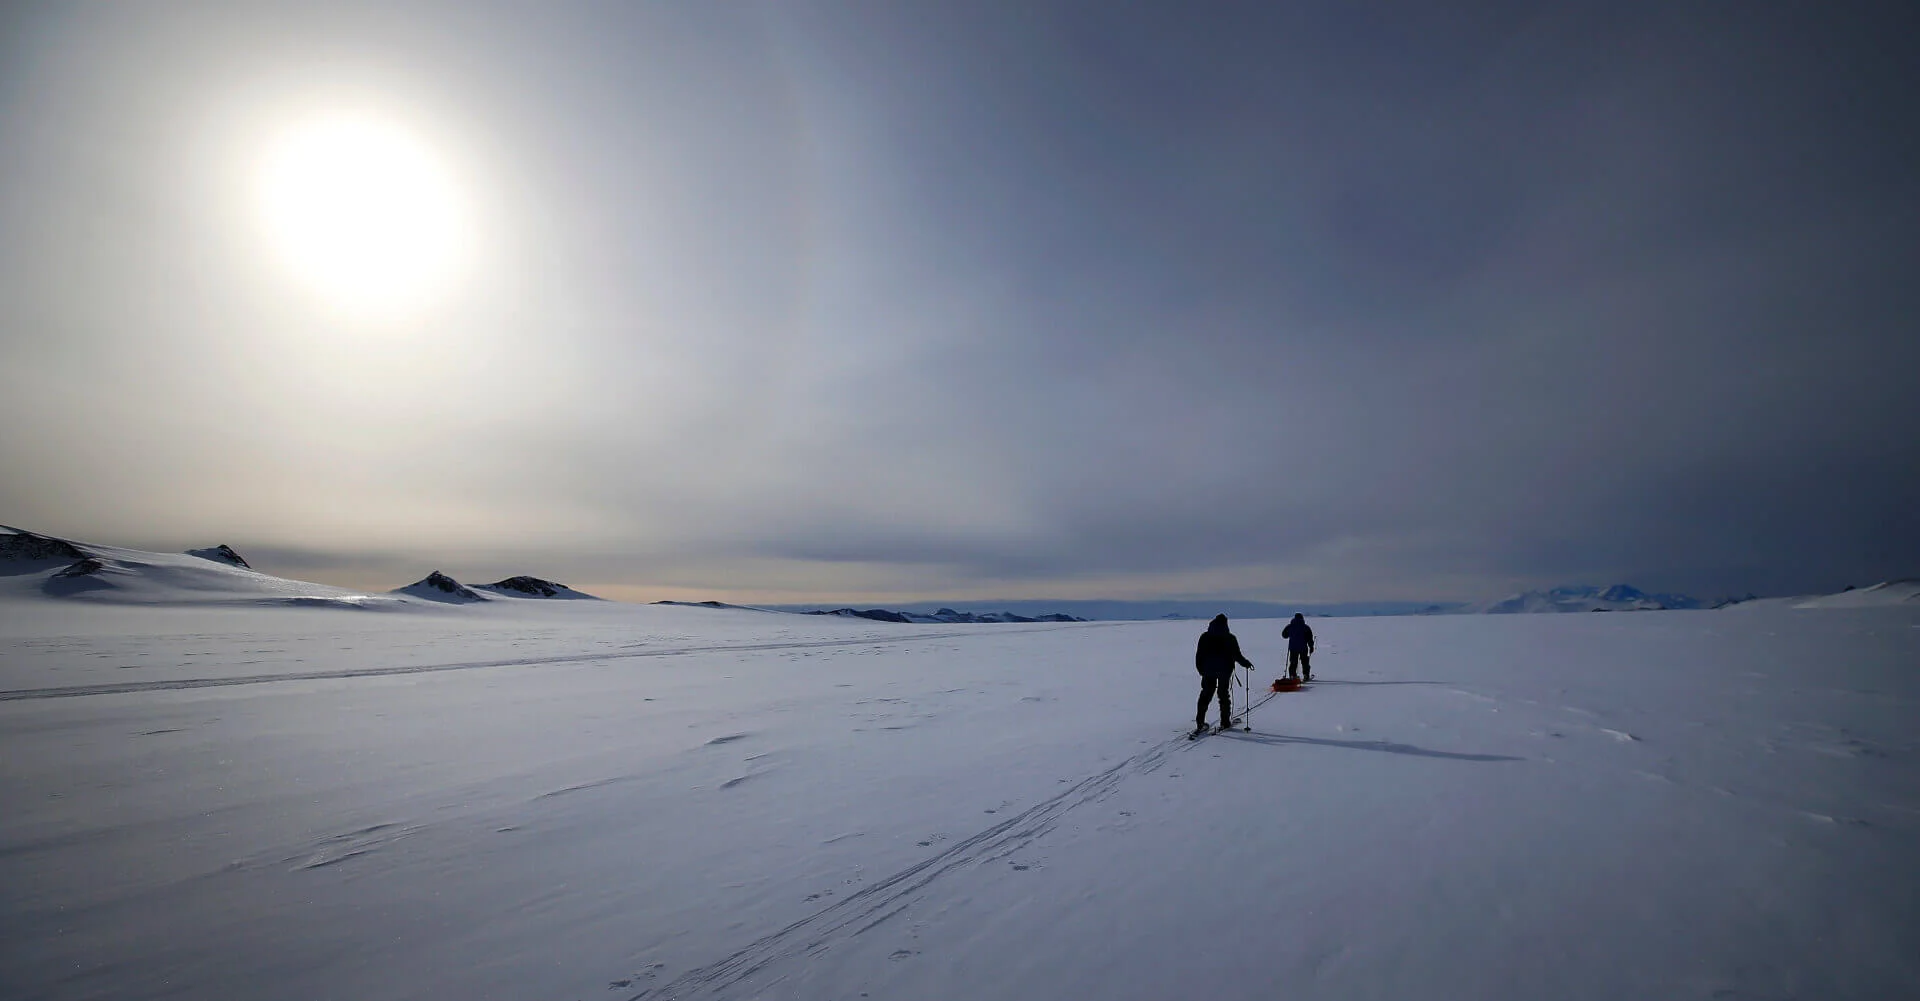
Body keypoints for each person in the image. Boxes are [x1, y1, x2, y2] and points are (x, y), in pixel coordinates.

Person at [1194, 614, 1253, 731]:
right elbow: (1237, 655)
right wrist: (1246, 663)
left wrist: (1201, 670)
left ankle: (1200, 723)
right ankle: (1225, 722)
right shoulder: (1230, 638)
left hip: (1208, 671)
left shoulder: (1205, 637)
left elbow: (1199, 655)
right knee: (1223, 695)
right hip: (1224, 671)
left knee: (1205, 695)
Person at [1282, 612, 1315, 681]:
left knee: (1293, 662)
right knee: (1305, 662)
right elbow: (1309, 638)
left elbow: (1284, 635)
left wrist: (1291, 634)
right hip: (1303, 648)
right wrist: (1311, 647)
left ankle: (1292, 675)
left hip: (1293, 648)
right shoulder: (1306, 627)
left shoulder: (1290, 626)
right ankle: (1306, 675)